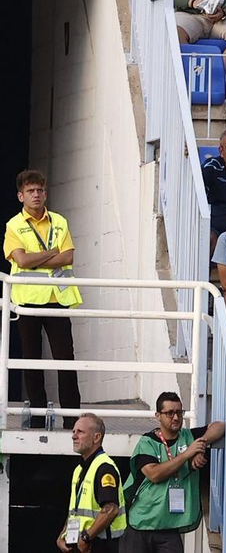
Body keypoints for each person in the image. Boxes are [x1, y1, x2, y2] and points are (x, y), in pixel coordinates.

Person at [7, 170, 81, 425]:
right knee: (31, 360)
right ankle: (38, 418)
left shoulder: (59, 221)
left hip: (57, 298)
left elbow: (68, 256)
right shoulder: (14, 225)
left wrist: (36, 259)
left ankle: (72, 419)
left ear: (45, 193)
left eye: (39, 190)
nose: (36, 194)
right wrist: (51, 253)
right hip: (28, 302)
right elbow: (21, 259)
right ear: (20, 196)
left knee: (66, 361)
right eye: (30, 191)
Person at [124, 393, 225, 552]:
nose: (176, 417)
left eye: (179, 412)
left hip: (169, 526)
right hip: (142, 524)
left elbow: (219, 426)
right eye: (170, 413)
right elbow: (155, 474)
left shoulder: (189, 436)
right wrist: (187, 454)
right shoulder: (147, 442)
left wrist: (200, 446)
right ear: (158, 416)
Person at [59, 413, 124, 551]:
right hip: (79, 544)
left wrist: (86, 537)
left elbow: (111, 510)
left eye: (80, 432)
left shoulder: (104, 468)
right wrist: (62, 535)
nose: (73, 436)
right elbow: (75, 511)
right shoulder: (80, 469)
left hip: (99, 545)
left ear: (96, 437)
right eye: (73, 431)